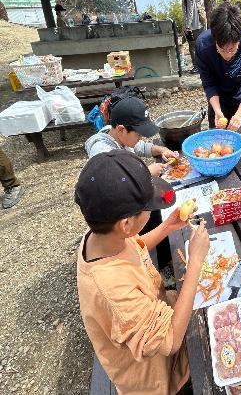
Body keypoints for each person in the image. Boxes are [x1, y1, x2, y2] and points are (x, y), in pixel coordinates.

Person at [75, 150, 210, 395]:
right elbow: (170, 340)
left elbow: (135, 247)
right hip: (155, 374)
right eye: (148, 207)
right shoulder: (111, 289)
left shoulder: (102, 237)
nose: (152, 211)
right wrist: (195, 263)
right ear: (126, 224)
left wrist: (167, 226)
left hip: (156, 315)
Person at [196, 3, 241, 130]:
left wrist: (238, 115)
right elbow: (208, 83)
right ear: (215, 40)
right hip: (216, 99)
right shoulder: (203, 46)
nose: (227, 55)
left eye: (232, 49)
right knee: (216, 142)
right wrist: (217, 111)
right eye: (221, 49)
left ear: (239, 40)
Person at [85, 96, 178, 177]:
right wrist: (146, 173)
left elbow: (142, 147)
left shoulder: (121, 138)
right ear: (121, 129)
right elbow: (113, 183)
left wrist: (163, 150)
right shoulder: (102, 154)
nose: (141, 138)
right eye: (138, 134)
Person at [185, 0, 205, 74]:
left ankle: (196, 67)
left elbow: (190, 13)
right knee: (201, 46)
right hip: (202, 25)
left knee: (192, 47)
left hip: (194, 27)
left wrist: (187, 26)